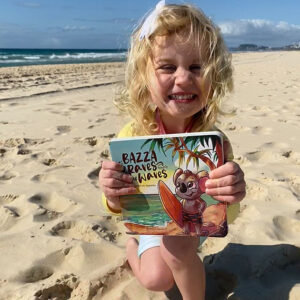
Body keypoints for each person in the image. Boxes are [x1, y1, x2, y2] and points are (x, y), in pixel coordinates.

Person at [99, 1, 246, 299]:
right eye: (167, 66)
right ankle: (133, 246)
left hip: (194, 224)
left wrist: (233, 192)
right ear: (144, 78)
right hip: (153, 224)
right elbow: (116, 204)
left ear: (214, 75)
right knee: (156, 280)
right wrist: (112, 195)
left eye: (196, 66)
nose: (183, 77)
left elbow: (226, 212)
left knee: (178, 249)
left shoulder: (213, 142)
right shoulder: (134, 135)